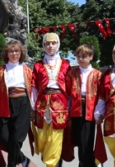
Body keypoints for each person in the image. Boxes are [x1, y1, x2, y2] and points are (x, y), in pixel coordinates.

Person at [0, 40, 34, 167]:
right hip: (6, 103)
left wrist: (34, 109)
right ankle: (22, 159)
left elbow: (33, 90)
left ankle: (11, 165)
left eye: (17, 51)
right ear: (6, 53)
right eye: (11, 51)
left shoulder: (26, 70)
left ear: (21, 53)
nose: (14, 53)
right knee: (4, 138)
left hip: (23, 104)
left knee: (16, 139)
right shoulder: (0, 71)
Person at [32, 32, 70, 167]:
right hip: (42, 104)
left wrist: (70, 107)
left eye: (53, 43)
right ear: (43, 45)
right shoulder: (38, 65)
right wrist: (32, 107)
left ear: (58, 45)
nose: (50, 46)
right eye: (47, 43)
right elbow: (34, 88)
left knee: (56, 138)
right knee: (42, 138)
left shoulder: (66, 64)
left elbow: (70, 88)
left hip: (60, 103)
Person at [65, 45, 101, 167]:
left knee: (88, 141)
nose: (80, 59)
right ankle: (85, 163)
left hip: (90, 110)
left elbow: (101, 95)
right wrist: (68, 111)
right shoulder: (72, 73)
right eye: (78, 56)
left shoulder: (97, 74)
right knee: (80, 140)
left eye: (84, 56)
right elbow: (68, 94)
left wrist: (100, 112)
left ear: (91, 57)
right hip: (76, 110)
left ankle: (87, 164)